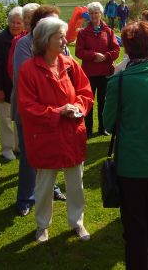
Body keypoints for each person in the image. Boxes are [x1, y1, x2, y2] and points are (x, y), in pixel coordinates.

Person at [103, 21, 148, 270]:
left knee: (135, 227)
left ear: (128, 49)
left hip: (131, 166)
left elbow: (109, 124)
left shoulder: (118, 82)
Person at [17, 17, 93, 243]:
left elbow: (85, 93)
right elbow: (27, 106)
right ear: (45, 39)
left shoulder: (70, 65)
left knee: (75, 183)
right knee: (44, 185)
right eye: (60, 36)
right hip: (46, 136)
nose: (64, 40)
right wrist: (57, 112)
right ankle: (42, 226)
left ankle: (77, 222)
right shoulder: (29, 70)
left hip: (72, 132)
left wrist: (77, 108)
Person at [12, 5, 67, 217]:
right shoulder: (24, 44)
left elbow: (67, 72)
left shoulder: (61, 45)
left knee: (51, 151)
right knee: (29, 156)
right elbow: (24, 77)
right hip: (29, 111)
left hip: (55, 110)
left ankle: (52, 188)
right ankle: (25, 198)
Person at [76, 1, 120, 138]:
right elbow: (79, 52)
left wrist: (106, 56)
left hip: (104, 72)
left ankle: (103, 128)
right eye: (92, 13)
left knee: (103, 101)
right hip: (89, 73)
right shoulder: (83, 32)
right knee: (88, 101)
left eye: (96, 13)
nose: (94, 15)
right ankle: (88, 130)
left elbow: (116, 50)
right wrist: (94, 55)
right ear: (88, 15)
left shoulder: (109, 31)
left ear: (101, 14)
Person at [0, 6, 24, 161]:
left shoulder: (24, 39)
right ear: (8, 22)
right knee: (5, 119)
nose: (15, 25)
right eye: (12, 22)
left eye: (18, 23)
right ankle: (7, 148)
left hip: (18, 87)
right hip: (2, 87)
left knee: (18, 118)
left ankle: (18, 146)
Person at [7, 3, 39, 81]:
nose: (27, 20)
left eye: (30, 17)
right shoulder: (18, 40)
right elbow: (12, 68)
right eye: (25, 17)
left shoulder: (47, 38)